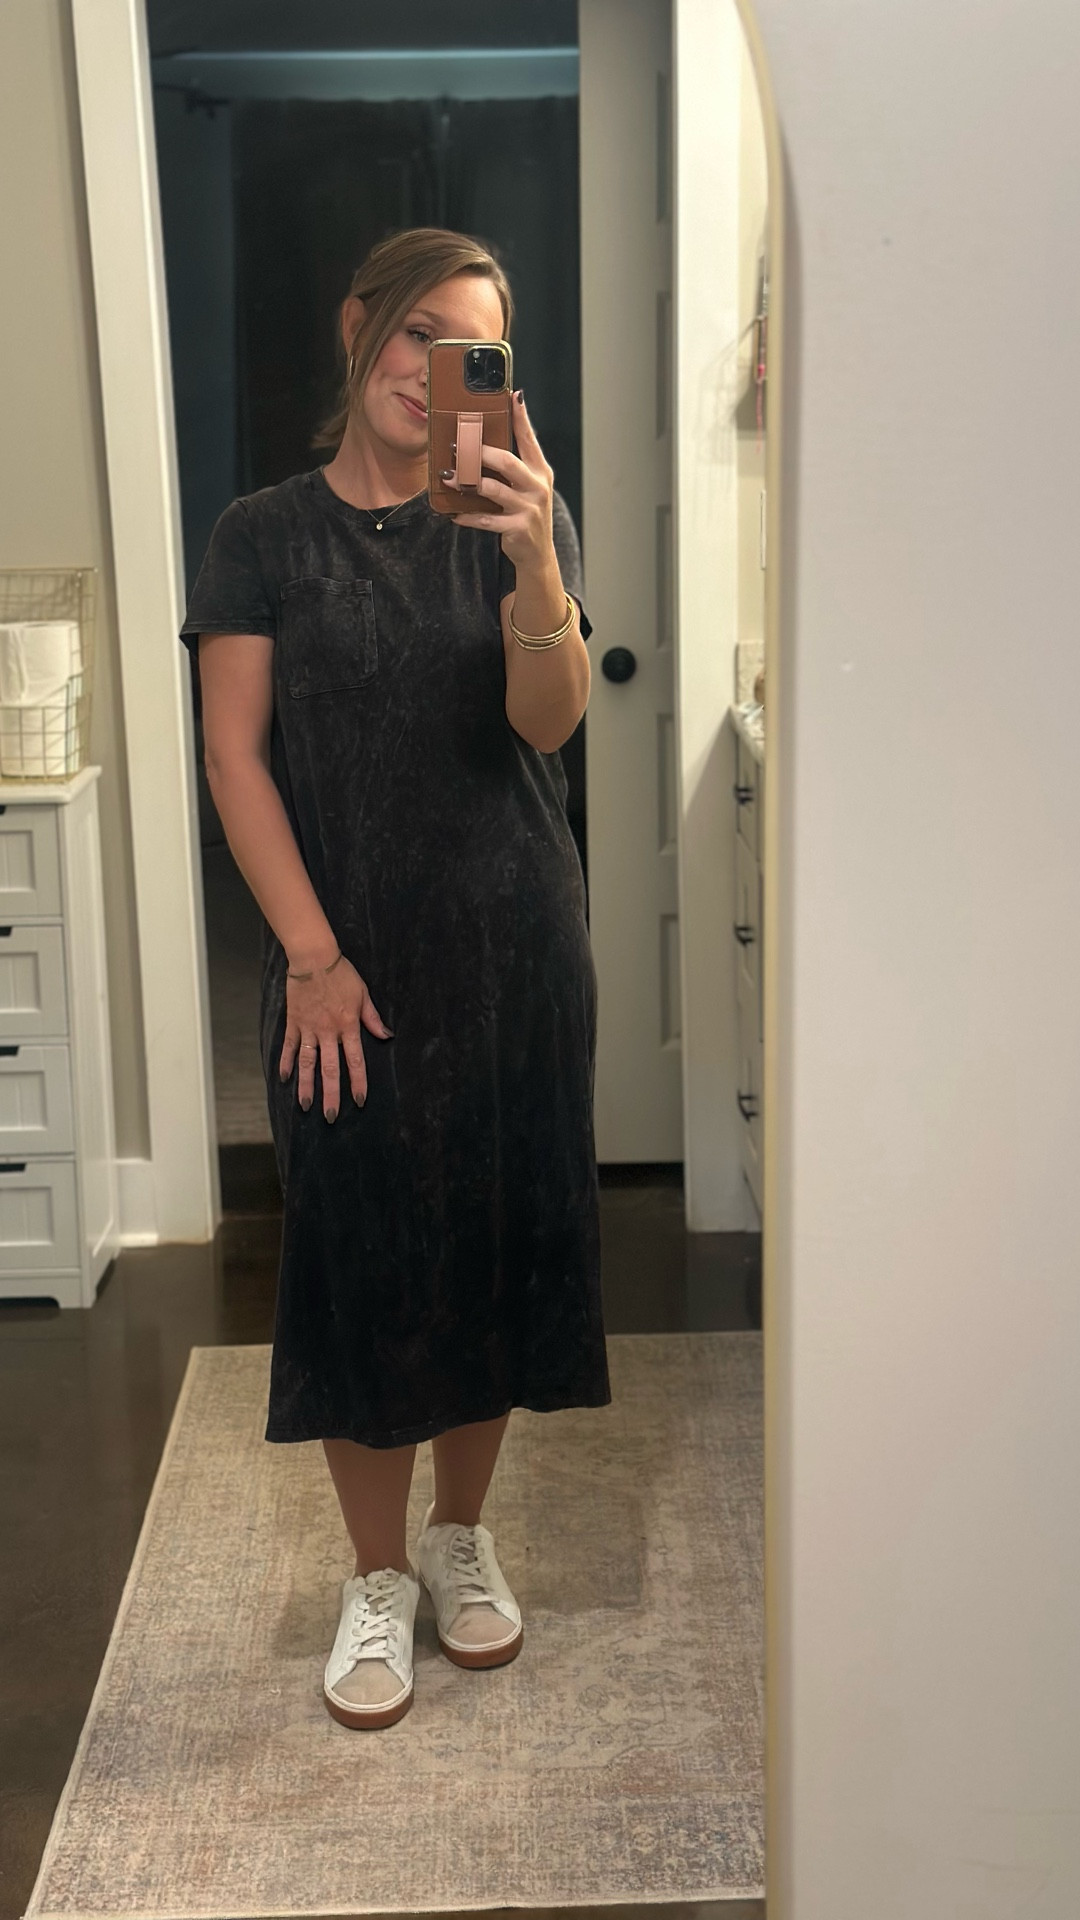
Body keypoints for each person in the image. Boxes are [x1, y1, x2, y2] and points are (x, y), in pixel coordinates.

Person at [179, 226, 611, 1732]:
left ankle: (459, 1537)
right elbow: (234, 757)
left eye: (472, 350)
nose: (436, 375)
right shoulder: (260, 535)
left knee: (486, 1251)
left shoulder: (511, 516)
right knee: (360, 1263)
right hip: (340, 967)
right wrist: (308, 955)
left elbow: (548, 725)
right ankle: (376, 1575)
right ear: (359, 327)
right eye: (418, 334)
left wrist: (536, 558)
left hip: (513, 951)